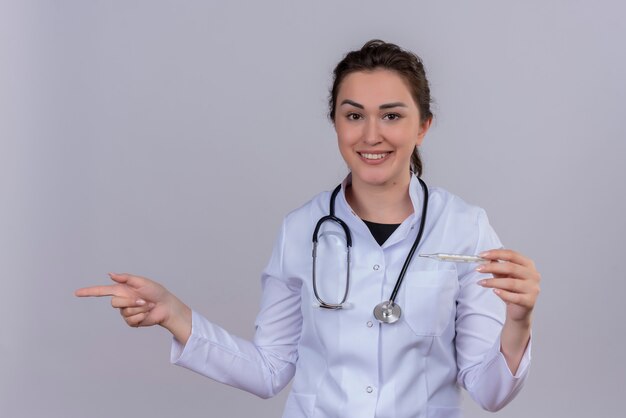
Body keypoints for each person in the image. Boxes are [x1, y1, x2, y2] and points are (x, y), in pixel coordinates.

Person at [76, 40, 540, 418]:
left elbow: (490, 391)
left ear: (423, 127)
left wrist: (518, 321)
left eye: (392, 115)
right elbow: (270, 370)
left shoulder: (464, 227)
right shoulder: (302, 229)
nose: (371, 135)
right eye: (354, 115)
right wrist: (175, 315)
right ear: (336, 123)